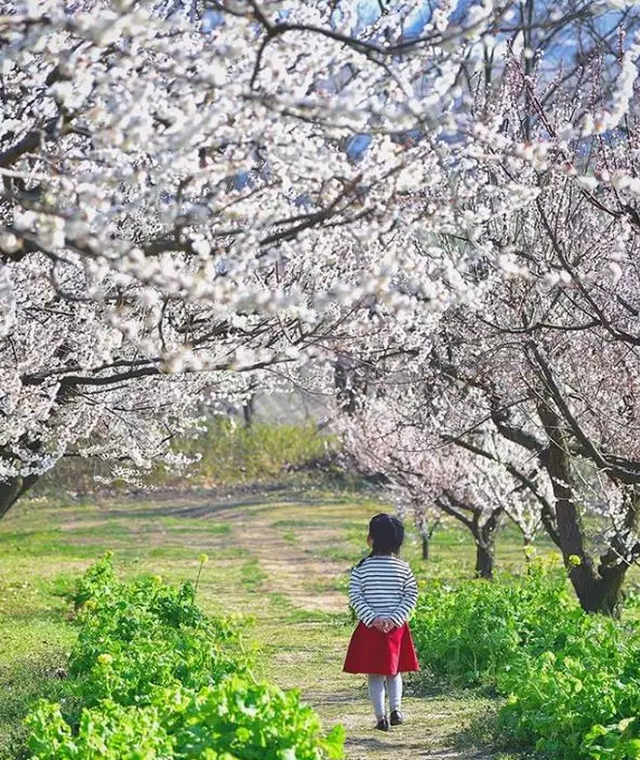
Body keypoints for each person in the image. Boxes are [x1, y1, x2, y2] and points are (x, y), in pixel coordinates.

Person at [343, 512, 419, 731]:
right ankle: (396, 710)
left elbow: (355, 596)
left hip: (370, 629)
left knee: (374, 675)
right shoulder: (403, 568)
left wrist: (373, 618)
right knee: (394, 672)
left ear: (372, 538)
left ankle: (381, 718)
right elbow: (411, 595)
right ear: (398, 541)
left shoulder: (362, 568)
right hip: (396, 629)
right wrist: (395, 619)